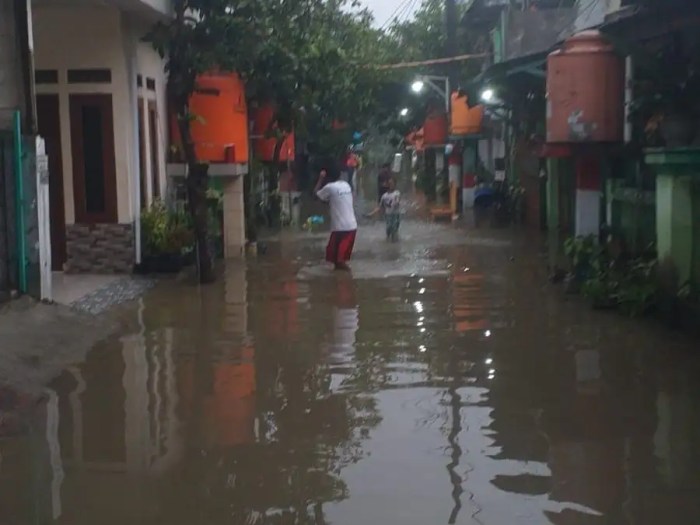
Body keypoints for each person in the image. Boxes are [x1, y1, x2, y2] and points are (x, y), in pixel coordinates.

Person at [315, 168, 358, 271]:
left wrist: (320, 179)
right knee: (334, 259)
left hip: (342, 228)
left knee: (339, 260)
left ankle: (348, 279)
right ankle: (339, 281)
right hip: (348, 226)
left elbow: (316, 195)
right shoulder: (346, 185)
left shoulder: (330, 187)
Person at [368, 177, 401, 242]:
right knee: (388, 229)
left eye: (392, 183)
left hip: (396, 215)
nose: (391, 185)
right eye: (389, 183)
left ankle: (395, 242)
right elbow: (380, 207)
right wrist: (371, 214)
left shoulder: (397, 193)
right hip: (388, 215)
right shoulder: (384, 196)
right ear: (387, 185)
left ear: (395, 184)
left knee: (394, 229)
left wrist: (396, 203)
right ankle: (388, 241)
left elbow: (397, 201)